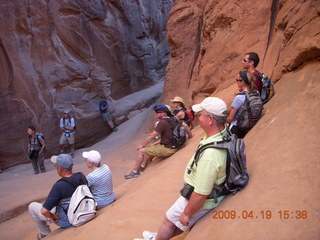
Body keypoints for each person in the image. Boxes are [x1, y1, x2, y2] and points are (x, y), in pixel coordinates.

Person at [135, 97, 228, 240]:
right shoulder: (224, 134)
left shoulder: (211, 155)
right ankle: (160, 236)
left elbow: (201, 193)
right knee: (175, 224)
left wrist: (187, 213)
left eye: (201, 115)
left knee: (168, 220)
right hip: (211, 193)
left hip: (199, 197)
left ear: (210, 119)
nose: (198, 117)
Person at [28, 154, 87, 239]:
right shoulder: (80, 176)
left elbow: (44, 211)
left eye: (56, 166)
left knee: (32, 206)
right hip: (83, 212)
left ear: (60, 169)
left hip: (68, 221)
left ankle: (46, 234)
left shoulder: (59, 186)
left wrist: (53, 216)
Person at [124, 105, 178, 179]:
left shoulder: (162, 122)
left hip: (168, 149)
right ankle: (143, 166)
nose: (155, 114)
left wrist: (141, 145)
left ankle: (135, 172)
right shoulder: (172, 118)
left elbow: (152, 136)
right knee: (152, 148)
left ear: (163, 113)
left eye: (157, 112)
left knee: (141, 151)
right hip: (174, 144)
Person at [227, 70, 257, 138]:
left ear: (242, 81)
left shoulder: (239, 97)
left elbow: (231, 117)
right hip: (249, 124)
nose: (236, 82)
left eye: (237, 80)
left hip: (236, 128)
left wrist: (226, 122)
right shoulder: (256, 93)